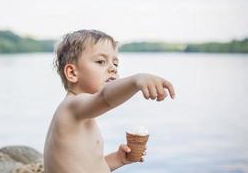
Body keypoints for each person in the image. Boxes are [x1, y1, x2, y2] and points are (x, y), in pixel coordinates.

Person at [44, 30, 175, 173]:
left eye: (115, 63)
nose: (112, 68)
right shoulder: (72, 106)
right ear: (72, 73)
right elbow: (105, 98)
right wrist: (136, 81)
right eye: (101, 62)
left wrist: (118, 159)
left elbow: (90, 166)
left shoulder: (84, 114)